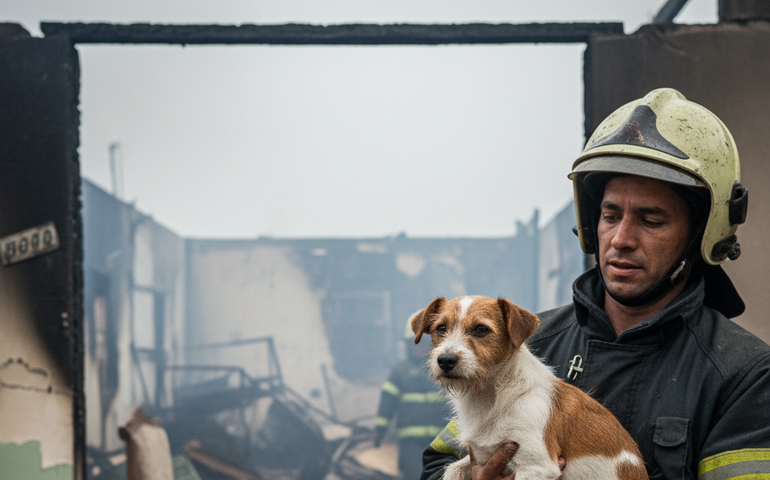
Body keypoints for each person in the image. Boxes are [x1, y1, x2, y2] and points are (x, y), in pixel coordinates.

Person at [420, 88, 770, 480]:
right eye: (610, 214)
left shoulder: (744, 374)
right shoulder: (527, 343)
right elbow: (438, 464)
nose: (621, 238)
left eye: (651, 220)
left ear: (701, 234)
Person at [375, 314, 452, 480]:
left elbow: (459, 405)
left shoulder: (446, 371)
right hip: (410, 443)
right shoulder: (400, 372)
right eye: (415, 343)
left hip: (441, 440)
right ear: (407, 345)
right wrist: (380, 430)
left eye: (424, 343)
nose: (420, 348)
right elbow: (387, 401)